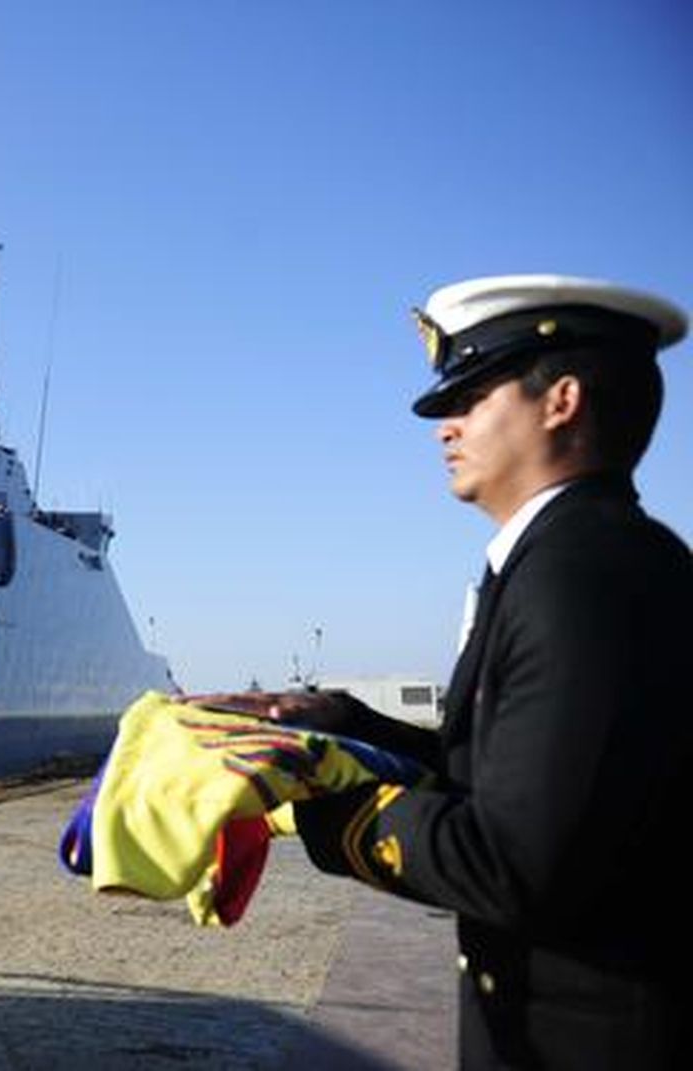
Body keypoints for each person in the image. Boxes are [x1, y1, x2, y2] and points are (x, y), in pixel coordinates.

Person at [228, 275, 691, 1068]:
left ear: (562, 401)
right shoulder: (573, 558)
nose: (446, 424)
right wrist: (346, 723)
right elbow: (524, 781)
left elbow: (513, 858)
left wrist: (324, 802)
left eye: (473, 395)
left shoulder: (581, 574)